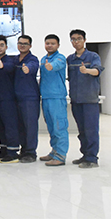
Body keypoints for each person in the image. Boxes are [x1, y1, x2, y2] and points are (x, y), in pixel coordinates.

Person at [67, 29, 105, 169]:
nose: (76, 42)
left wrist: (87, 70)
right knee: (81, 131)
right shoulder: (70, 59)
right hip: (76, 100)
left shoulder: (93, 56)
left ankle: (92, 158)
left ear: (84, 40)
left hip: (89, 100)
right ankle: (85, 155)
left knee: (91, 130)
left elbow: (97, 71)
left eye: (79, 39)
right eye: (73, 39)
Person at [39, 34, 68, 166]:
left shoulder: (60, 58)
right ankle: (54, 151)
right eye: (47, 43)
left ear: (58, 45)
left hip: (57, 98)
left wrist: (51, 66)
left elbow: (55, 65)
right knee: (51, 127)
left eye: (53, 43)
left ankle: (61, 156)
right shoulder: (43, 59)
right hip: (45, 97)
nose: (49, 45)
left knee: (59, 127)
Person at [0, 35, 20, 163]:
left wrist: (3, 66)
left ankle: (13, 152)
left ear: (6, 47)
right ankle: (3, 149)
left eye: (2, 45)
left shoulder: (11, 61)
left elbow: (10, 68)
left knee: (10, 125)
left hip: (8, 100)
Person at [14, 35, 40, 163]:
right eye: (20, 43)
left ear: (30, 46)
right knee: (20, 126)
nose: (22, 46)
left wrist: (27, 69)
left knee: (30, 126)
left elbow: (32, 66)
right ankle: (23, 150)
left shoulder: (32, 59)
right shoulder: (15, 59)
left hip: (29, 98)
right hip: (16, 98)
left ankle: (30, 152)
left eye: (25, 44)